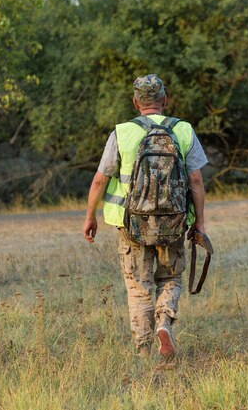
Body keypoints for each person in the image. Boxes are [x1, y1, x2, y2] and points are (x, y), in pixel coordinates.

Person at [82, 74, 208, 360]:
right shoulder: (184, 130)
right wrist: (198, 222)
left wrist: (91, 216)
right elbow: (197, 181)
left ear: (136, 102)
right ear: (165, 100)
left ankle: (142, 352)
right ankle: (164, 324)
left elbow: (100, 180)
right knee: (171, 279)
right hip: (174, 224)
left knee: (139, 288)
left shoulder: (122, 132)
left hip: (131, 225)